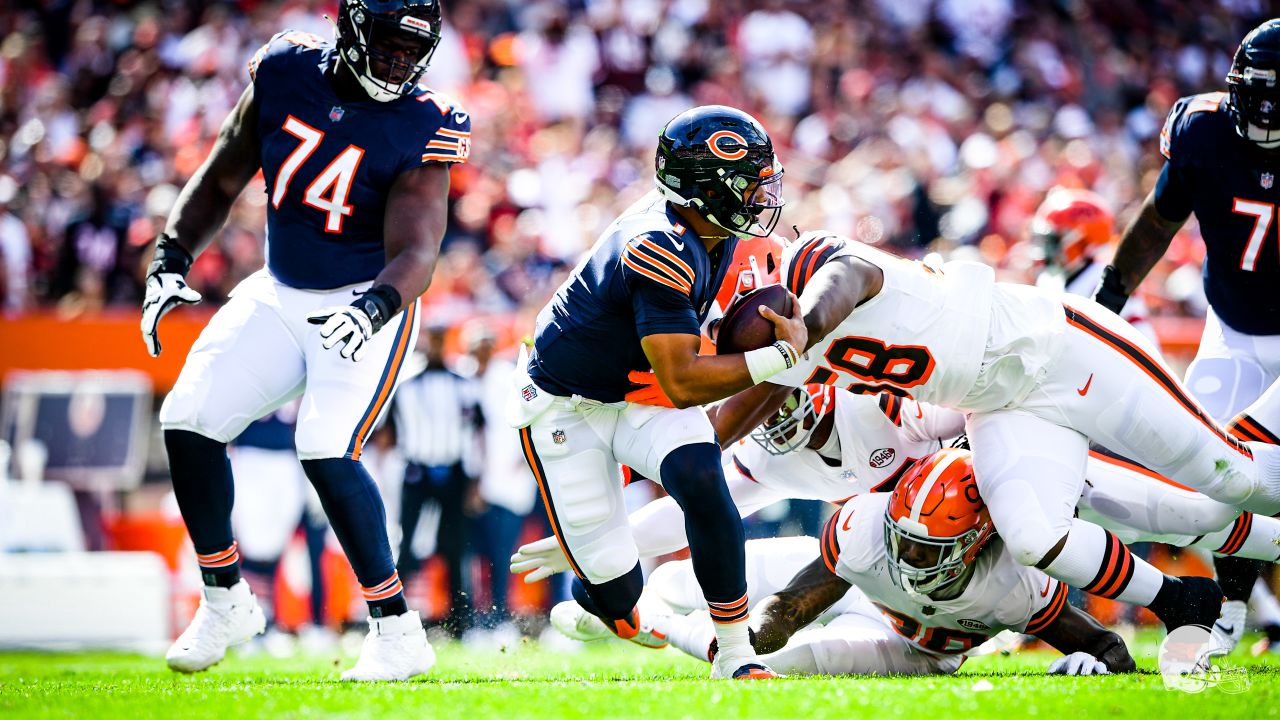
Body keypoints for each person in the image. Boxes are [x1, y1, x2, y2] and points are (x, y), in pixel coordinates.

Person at [711, 223, 1280, 638]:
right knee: (1037, 540)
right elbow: (725, 423)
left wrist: (803, 327)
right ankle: (1181, 600)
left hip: (1062, 351)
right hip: (1002, 406)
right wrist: (662, 451)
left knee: (1238, 483)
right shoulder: (786, 354)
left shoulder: (819, 266)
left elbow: (847, 278)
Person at [141, 0, 468, 681]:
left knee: (324, 444)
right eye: (389, 43)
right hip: (280, 290)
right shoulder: (287, 68)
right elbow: (223, 173)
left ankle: (396, 629)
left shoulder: (424, 120)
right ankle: (225, 599)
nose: (401, 61)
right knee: (187, 418)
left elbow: (417, 247)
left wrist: (374, 307)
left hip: (367, 298)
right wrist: (170, 255)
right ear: (349, 28)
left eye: (416, 49)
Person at [509, 105, 806, 680]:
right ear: (700, 190)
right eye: (746, 186)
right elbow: (684, 380)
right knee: (617, 592)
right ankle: (604, 596)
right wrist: (781, 357)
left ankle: (736, 653)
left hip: (637, 388)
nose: (760, 198)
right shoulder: (658, 245)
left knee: (701, 477)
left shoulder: (708, 227)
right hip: (566, 406)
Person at [519, 386, 1280, 595]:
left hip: (1006, 475)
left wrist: (1002, 478)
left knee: (1182, 516)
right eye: (767, 417)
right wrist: (595, 546)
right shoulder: (766, 455)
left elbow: (990, 404)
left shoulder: (875, 398)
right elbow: (696, 513)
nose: (782, 427)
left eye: (785, 407)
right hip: (948, 542)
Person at [599, 450, 1136, 678]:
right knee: (677, 580)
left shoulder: (1013, 585)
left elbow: (1109, 647)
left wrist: (1093, 664)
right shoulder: (867, 529)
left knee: (772, 671)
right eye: (903, 538)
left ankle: (654, 624)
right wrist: (747, 637)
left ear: (975, 544)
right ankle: (633, 614)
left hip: (915, 646)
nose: (909, 556)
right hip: (857, 587)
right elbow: (786, 611)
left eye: (926, 550)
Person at [1092, 19, 1280, 655]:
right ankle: (1233, 609)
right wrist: (1107, 304)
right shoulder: (1203, 130)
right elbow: (1157, 223)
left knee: (1258, 475)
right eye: (1254, 94)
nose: (1261, 112)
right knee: (1214, 477)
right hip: (1231, 328)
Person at [389, 322, 482, 636]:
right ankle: (394, 619)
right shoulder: (406, 383)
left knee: (455, 549)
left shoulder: (465, 383)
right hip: (417, 471)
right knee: (406, 546)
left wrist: (474, 481)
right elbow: (388, 432)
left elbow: (477, 432)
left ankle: (459, 624)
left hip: (454, 471)